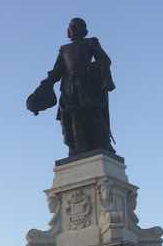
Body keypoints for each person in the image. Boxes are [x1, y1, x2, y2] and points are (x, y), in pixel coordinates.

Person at [38, 18, 116, 156]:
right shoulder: (64, 49)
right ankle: (76, 147)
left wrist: (92, 71)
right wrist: (46, 84)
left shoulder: (90, 42)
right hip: (68, 88)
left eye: (75, 26)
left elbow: (104, 60)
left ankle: (101, 143)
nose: (71, 29)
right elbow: (57, 70)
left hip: (87, 86)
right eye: (70, 27)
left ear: (83, 29)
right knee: (70, 119)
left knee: (92, 115)